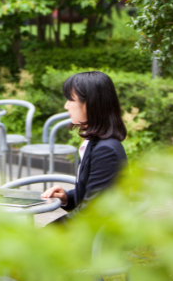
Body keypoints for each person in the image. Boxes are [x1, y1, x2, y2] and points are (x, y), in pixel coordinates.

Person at [41, 71, 127, 224]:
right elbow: (94, 194)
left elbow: (91, 213)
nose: (66, 106)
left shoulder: (106, 150)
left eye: (70, 99)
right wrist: (67, 198)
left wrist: (46, 235)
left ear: (91, 103)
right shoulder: (96, 142)